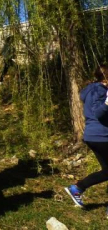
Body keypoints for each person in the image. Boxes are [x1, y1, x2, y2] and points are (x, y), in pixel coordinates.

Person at [65, 64, 108, 208]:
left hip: (92, 135)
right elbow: (98, 113)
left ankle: (77, 188)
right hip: (101, 135)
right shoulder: (101, 91)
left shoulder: (92, 90)